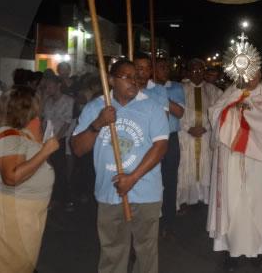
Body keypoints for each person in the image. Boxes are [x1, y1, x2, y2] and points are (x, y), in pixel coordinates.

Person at [71, 59, 169, 273]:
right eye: (127, 77)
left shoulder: (152, 107)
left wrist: (132, 178)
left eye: (136, 77)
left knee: (146, 254)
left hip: (145, 194)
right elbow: (77, 148)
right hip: (110, 193)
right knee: (112, 254)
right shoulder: (96, 107)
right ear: (111, 80)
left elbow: (161, 146)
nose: (134, 82)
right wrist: (98, 123)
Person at [0, 86, 58, 273]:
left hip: (20, 209)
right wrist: (45, 151)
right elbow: (11, 177)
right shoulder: (8, 136)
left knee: (12, 263)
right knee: (8, 264)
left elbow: (2, 171)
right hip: (14, 211)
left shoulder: (16, 132)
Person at [207, 68, 262, 271]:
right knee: (231, 204)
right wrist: (233, 109)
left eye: (255, 74)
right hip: (231, 156)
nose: (251, 78)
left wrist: (249, 111)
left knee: (257, 204)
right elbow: (214, 113)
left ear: (260, 75)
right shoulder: (230, 92)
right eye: (247, 74)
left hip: (257, 159)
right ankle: (230, 251)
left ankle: (256, 250)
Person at [177, 59, 222, 210]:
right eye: (193, 71)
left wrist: (207, 127)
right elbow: (176, 112)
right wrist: (188, 127)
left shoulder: (214, 91)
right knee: (186, 164)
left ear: (204, 71)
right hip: (186, 135)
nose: (197, 74)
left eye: (200, 70)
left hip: (205, 135)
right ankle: (185, 198)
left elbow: (218, 114)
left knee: (205, 165)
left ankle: (204, 196)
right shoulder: (180, 89)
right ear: (188, 72)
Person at [153, 58, 185, 238]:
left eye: (167, 66)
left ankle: (169, 221)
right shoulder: (146, 88)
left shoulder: (176, 88)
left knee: (170, 181)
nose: (165, 69)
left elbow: (179, 112)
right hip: (150, 140)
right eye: (160, 67)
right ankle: (151, 220)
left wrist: (159, 93)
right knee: (151, 180)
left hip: (170, 139)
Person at [42, 74, 75, 209]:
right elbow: (44, 120)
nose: (48, 89)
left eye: (50, 86)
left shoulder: (68, 100)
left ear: (58, 86)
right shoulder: (48, 102)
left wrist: (56, 139)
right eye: (46, 86)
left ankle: (64, 198)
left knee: (59, 169)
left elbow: (67, 122)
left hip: (59, 140)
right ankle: (57, 197)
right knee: (51, 169)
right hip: (47, 138)